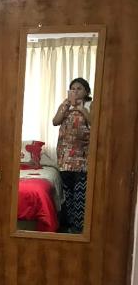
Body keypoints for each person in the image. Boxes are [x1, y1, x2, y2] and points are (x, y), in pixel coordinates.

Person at [52, 77, 92, 233]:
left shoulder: (90, 105)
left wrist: (82, 109)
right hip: (65, 156)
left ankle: (80, 228)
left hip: (83, 157)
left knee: (80, 195)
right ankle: (71, 226)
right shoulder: (65, 105)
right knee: (68, 193)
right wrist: (66, 106)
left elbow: (95, 123)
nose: (75, 91)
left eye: (79, 88)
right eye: (73, 88)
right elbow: (55, 121)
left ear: (86, 91)